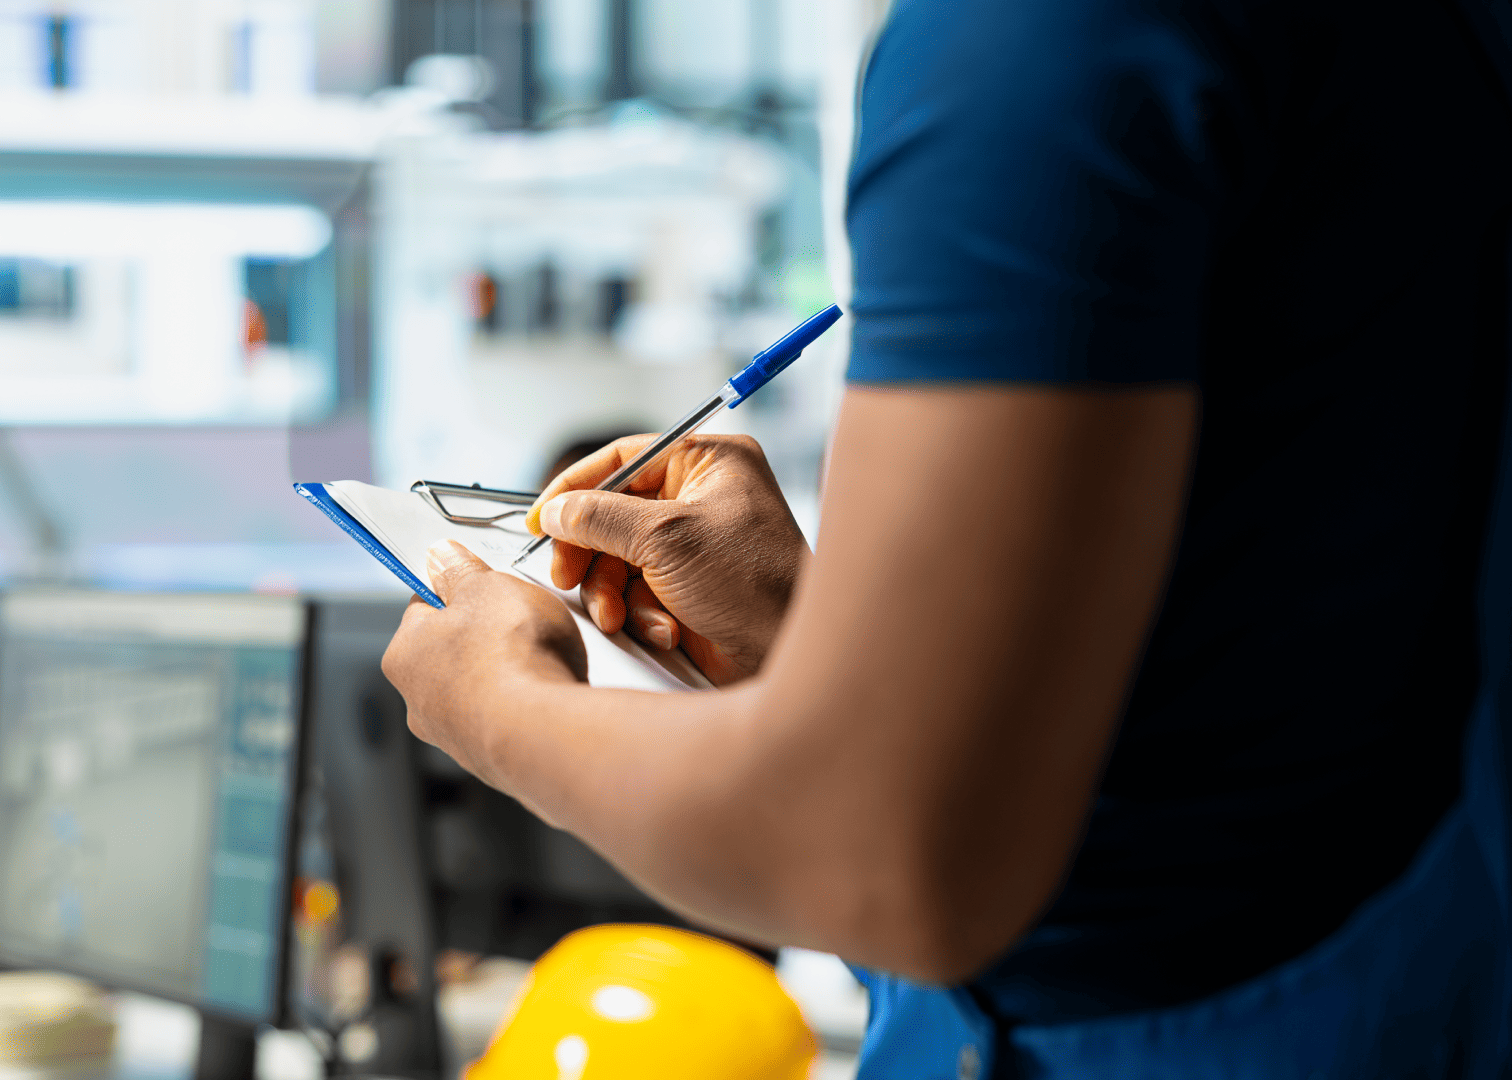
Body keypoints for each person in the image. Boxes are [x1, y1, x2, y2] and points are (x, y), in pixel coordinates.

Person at [381, 0, 1512, 1073]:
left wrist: (496, 702)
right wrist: (809, 649)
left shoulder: (1033, 40)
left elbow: (890, 857)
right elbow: (1247, 620)